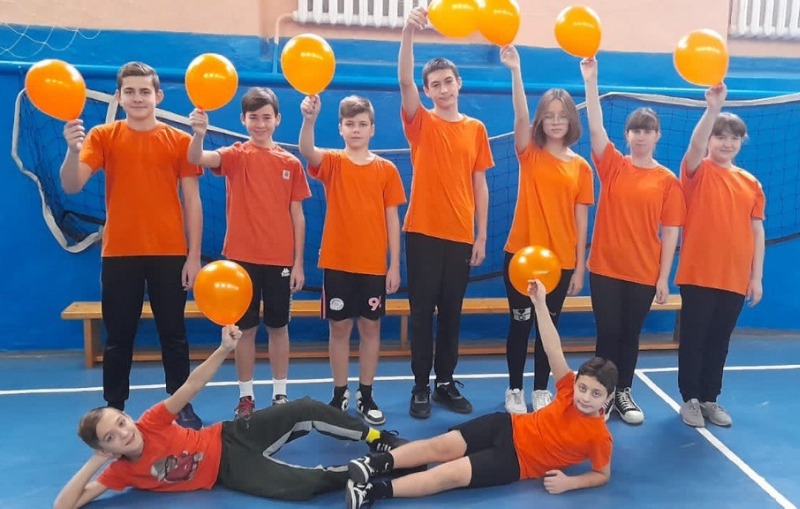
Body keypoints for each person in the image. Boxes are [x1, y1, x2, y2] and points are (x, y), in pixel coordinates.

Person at [53, 325, 407, 509]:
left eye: (120, 422)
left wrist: (224, 349)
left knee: (305, 408)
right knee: (302, 487)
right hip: (228, 471)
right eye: (111, 438)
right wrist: (96, 461)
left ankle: (378, 439)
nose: (123, 433)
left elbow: (191, 386)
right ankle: (374, 468)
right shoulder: (121, 471)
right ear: (107, 449)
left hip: (230, 435)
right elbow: (63, 505)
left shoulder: (151, 421)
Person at [345, 279, 617, 508]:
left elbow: (601, 474)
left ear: (608, 398)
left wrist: (571, 483)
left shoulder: (599, 437)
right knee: (439, 446)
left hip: (516, 462)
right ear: (576, 383)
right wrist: (540, 304)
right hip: (505, 425)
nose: (585, 397)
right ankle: (374, 463)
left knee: (449, 473)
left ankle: (371, 493)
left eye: (596, 394)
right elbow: (552, 348)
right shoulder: (568, 388)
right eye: (583, 388)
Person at [60, 61, 203, 429]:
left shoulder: (180, 141)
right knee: (119, 336)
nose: (138, 98)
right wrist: (72, 150)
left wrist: (194, 256)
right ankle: (114, 408)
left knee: (174, 334)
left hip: (169, 254)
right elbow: (72, 185)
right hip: (120, 253)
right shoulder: (102, 136)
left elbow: (192, 200)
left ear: (158, 96)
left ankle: (180, 404)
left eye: (144, 91)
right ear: (119, 97)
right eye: (130, 91)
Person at [187, 87, 311, 418]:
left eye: (266, 117)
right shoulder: (236, 155)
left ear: (277, 119)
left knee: (278, 327)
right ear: (243, 119)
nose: (260, 123)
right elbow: (198, 158)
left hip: (280, 261)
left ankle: (280, 395)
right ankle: (246, 397)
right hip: (240, 262)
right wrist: (198, 134)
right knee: (245, 330)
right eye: (253, 117)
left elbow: (298, 216)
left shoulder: (291, 163)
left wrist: (298, 263)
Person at [399, 6, 494, 419]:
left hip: (460, 237)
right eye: (434, 84)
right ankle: (420, 386)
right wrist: (407, 32)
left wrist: (481, 234)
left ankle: (445, 383)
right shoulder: (420, 122)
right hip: (422, 233)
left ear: (459, 83)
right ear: (427, 91)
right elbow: (404, 80)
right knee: (422, 314)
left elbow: (480, 184)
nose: (442, 89)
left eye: (448, 81)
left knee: (451, 315)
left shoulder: (476, 129)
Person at [580, 57, 686, 424]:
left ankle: (623, 391)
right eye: (635, 130)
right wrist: (591, 81)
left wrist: (663, 277)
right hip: (605, 268)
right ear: (627, 136)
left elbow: (670, 231)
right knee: (607, 334)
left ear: (657, 136)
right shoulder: (613, 166)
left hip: (643, 272)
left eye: (647, 130)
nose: (641, 136)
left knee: (629, 335)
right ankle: (600, 396)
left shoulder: (668, 181)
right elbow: (595, 128)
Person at [298, 94, 406, 425]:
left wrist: (394, 264)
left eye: (362, 124)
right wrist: (309, 120)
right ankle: (339, 393)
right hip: (338, 263)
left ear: (372, 129)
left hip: (373, 265)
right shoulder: (332, 162)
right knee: (340, 327)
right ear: (341, 128)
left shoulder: (387, 170)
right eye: (349, 124)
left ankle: (366, 394)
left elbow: (392, 219)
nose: (356, 129)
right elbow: (307, 151)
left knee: (371, 329)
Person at [499, 45, 593, 414]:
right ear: (541, 121)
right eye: (549, 116)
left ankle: (541, 389)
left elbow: (582, 220)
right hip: (521, 257)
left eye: (562, 116)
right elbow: (520, 117)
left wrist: (579, 267)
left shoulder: (581, 167)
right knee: (520, 324)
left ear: (571, 121)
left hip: (560, 262)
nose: (555, 122)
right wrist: (515, 71)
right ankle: (513, 389)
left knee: (547, 329)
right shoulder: (530, 152)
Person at [675, 83, 765, 428]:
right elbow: (695, 146)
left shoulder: (751, 183)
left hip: (734, 278)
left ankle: (710, 398)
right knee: (694, 340)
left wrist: (755, 277)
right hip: (699, 274)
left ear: (741, 142)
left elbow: (757, 231)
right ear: (711, 140)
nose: (727, 143)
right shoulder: (696, 171)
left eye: (734, 138)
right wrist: (712, 108)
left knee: (719, 342)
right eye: (720, 136)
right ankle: (690, 399)